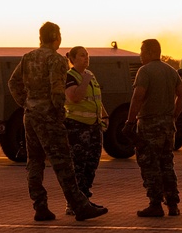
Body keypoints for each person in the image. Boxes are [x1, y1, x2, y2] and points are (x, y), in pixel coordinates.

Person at [8, 22, 108, 222]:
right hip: (49, 118)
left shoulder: (28, 58)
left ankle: (40, 206)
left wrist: (27, 103)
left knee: (35, 162)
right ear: (55, 37)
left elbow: (13, 83)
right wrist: (58, 114)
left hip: (31, 115)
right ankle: (80, 207)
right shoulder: (56, 60)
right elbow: (56, 90)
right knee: (63, 163)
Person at [123, 38, 182, 217]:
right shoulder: (171, 70)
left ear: (151, 52)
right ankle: (173, 204)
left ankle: (155, 204)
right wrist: (173, 115)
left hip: (150, 125)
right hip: (168, 126)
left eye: (142, 51)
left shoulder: (145, 71)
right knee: (167, 163)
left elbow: (138, 96)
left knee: (150, 164)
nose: (140, 55)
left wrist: (130, 122)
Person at [62, 46, 109, 215]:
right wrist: (84, 81)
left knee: (91, 163)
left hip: (94, 126)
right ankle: (73, 203)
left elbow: (95, 98)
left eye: (87, 55)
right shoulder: (70, 76)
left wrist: (104, 115)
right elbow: (74, 97)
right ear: (72, 59)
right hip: (77, 127)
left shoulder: (90, 75)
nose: (86, 58)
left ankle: (85, 199)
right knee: (78, 166)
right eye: (82, 55)